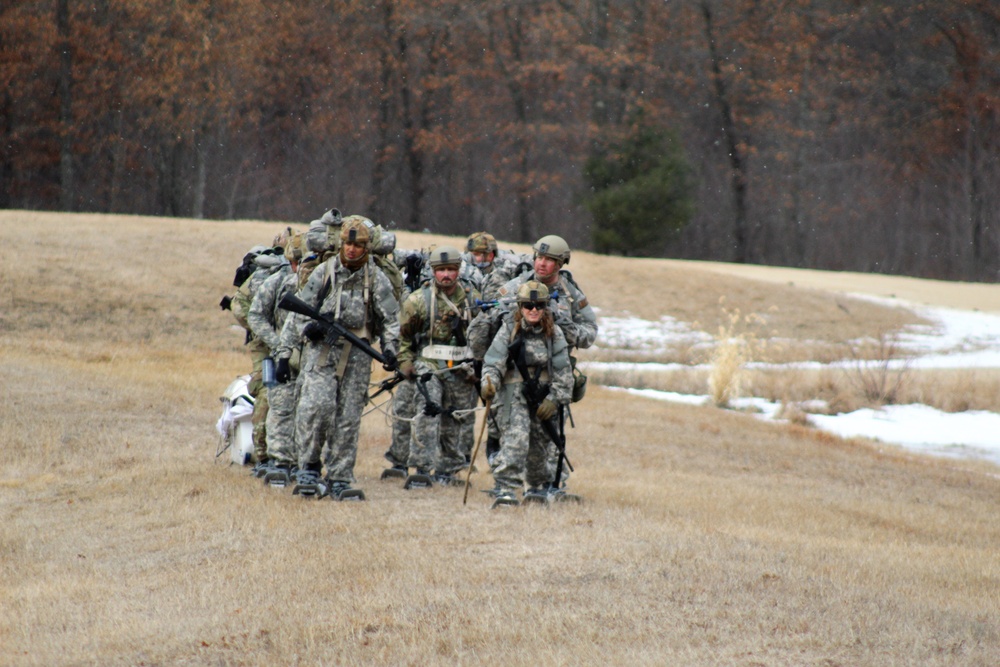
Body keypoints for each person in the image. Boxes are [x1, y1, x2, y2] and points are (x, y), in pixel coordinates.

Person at [272, 218, 400, 500]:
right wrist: (285, 354)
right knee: (316, 406)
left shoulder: (375, 277)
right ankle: (309, 467)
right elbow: (297, 314)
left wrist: (391, 350)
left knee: (348, 416)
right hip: (321, 351)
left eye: (358, 245)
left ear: (366, 247)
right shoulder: (323, 272)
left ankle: (340, 476)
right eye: (348, 244)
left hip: (358, 353)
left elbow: (391, 318)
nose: (352, 250)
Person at [477, 235, 597, 485]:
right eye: (539, 257)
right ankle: (506, 483)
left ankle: (549, 484)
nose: (541, 264)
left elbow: (589, 333)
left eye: (549, 260)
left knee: (549, 438)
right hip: (512, 373)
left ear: (560, 263)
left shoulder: (570, 294)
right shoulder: (515, 287)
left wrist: (564, 328)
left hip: (553, 373)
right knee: (511, 434)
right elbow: (488, 325)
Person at [480, 280, 573, 507]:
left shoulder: (555, 334)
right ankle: (506, 488)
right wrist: (488, 384)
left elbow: (564, 372)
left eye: (539, 305)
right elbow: (493, 362)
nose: (533, 310)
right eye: (528, 305)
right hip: (513, 394)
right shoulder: (508, 329)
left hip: (543, 395)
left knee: (541, 445)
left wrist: (553, 400)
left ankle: (538, 487)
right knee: (516, 440)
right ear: (520, 306)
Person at [396, 245, 482, 487]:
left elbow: (485, 332)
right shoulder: (417, 301)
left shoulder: (473, 299)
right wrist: (405, 362)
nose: (446, 275)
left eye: (451, 269)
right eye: (441, 270)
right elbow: (403, 336)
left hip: (462, 367)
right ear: (433, 271)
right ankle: (422, 468)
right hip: (428, 365)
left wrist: (480, 365)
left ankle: (448, 469)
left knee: (456, 417)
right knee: (428, 409)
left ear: (459, 271)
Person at [247, 232, 307, 486]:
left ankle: (306, 464)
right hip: (282, 358)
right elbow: (256, 316)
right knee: (280, 409)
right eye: (298, 261)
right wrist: (277, 344)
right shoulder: (277, 282)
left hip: (314, 359)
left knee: (310, 412)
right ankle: (280, 463)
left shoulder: (325, 282)